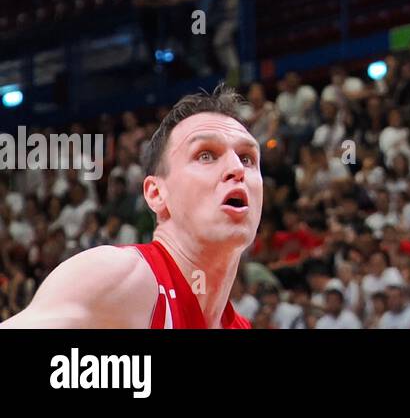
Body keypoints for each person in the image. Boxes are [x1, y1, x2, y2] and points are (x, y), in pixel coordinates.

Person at [2, 88, 258, 328]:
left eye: (247, 158)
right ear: (156, 194)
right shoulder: (120, 276)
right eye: (205, 155)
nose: (237, 169)